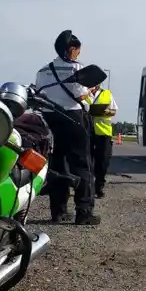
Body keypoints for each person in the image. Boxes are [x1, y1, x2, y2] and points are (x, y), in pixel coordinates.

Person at [34, 30, 101, 225]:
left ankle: (58, 211)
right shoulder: (76, 69)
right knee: (82, 164)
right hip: (73, 119)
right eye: (78, 51)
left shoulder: (43, 70)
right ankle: (84, 211)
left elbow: (40, 93)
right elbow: (81, 96)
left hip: (50, 119)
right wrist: (92, 91)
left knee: (57, 164)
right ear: (72, 50)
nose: (79, 55)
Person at [88, 83, 118, 198]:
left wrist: (105, 112)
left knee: (103, 161)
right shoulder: (83, 93)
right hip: (87, 131)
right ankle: (88, 187)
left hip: (103, 133)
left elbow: (114, 111)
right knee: (86, 160)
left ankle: (99, 186)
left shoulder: (107, 94)